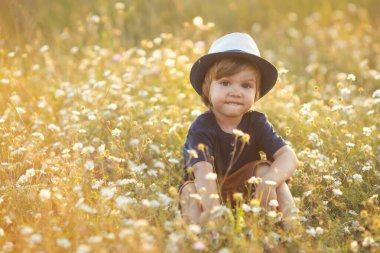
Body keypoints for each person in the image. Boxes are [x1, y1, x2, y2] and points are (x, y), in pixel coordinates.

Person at [179, 33, 299, 228]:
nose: (236, 91)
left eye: (246, 85)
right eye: (225, 83)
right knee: (190, 194)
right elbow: (202, 171)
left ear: (256, 94)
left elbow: (289, 157)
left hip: (247, 190)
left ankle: (290, 234)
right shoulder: (202, 126)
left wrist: (268, 181)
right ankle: (200, 240)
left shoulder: (257, 123)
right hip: (207, 188)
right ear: (207, 89)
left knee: (271, 175)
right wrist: (213, 210)